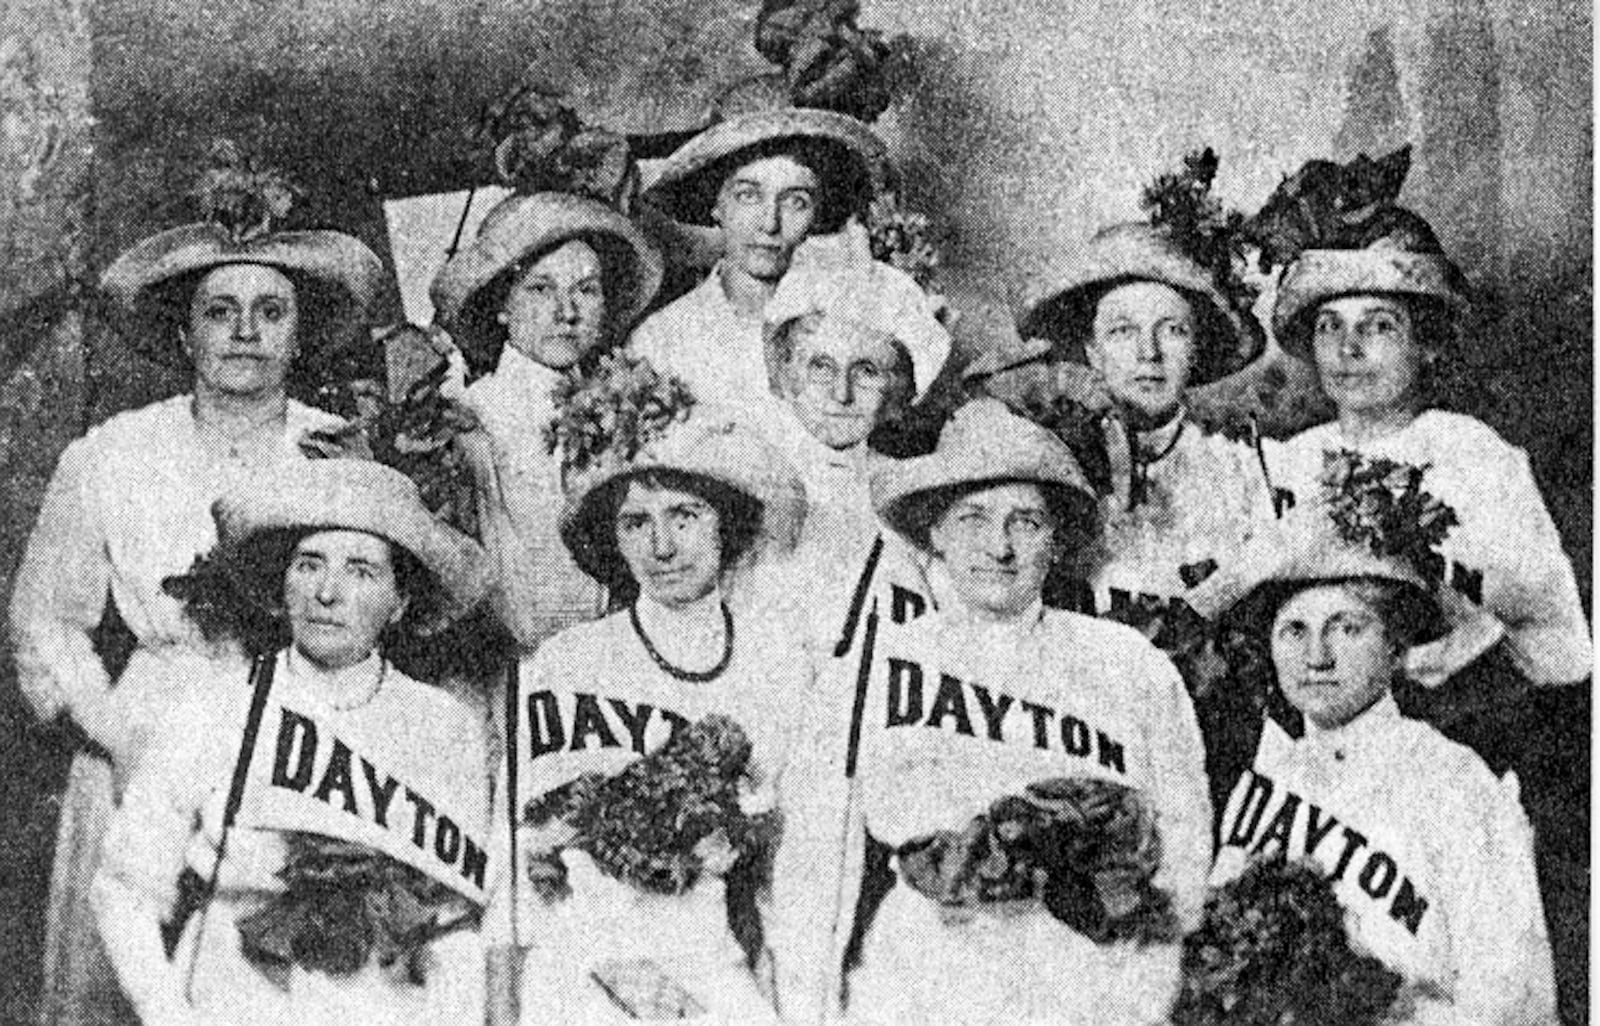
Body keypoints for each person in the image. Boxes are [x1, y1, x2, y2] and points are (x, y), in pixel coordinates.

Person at [9, 204, 383, 1026]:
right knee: (127, 972)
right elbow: (46, 622)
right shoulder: (112, 453)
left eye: (270, 312)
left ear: (299, 333)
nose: (245, 332)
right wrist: (118, 734)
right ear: (185, 336)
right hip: (142, 731)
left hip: (300, 728)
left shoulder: (342, 452)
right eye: (220, 311)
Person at [1261, 212, 1591, 1020]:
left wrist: (1464, 624)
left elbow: (1560, 640)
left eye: (1379, 327)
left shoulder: (1472, 455)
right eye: (1331, 329)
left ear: (1426, 345)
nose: (1350, 349)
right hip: (1322, 746)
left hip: (1460, 734)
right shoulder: (1289, 462)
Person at [802, 398, 1211, 1025]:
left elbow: (1184, 855)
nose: (1000, 546)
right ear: (934, 531)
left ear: (1057, 537)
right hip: (924, 976)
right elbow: (818, 860)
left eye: (1026, 521)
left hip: (1086, 984)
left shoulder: (1131, 664)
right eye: (972, 518)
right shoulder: (879, 661)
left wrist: (1141, 1000)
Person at [91, 458, 493, 1026]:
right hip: (234, 994)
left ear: (400, 602)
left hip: (386, 1006)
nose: (328, 592)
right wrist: (168, 1014)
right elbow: (124, 888)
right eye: (309, 565)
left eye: (362, 571)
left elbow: (456, 918)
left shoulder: (442, 725)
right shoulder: (216, 706)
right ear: (282, 585)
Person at [483, 383, 814, 1025]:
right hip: (580, 961)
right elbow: (516, 869)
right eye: (637, 522)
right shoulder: (565, 663)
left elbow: (787, 877)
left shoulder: (782, 665)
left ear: (726, 522)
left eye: (684, 516)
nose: (661, 547)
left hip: (710, 961)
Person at [1194, 497, 1557, 1025]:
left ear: (1396, 646)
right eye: (1294, 630)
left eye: (1347, 627)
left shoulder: (1454, 780)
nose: (1317, 656)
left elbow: (1518, 1001)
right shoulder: (1269, 777)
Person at [965, 221, 1273, 620]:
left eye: (1173, 330)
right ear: (1092, 350)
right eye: (1123, 331)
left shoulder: (1238, 465)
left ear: (1196, 348)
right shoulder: (1046, 456)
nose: (1150, 353)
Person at [431, 189, 663, 649]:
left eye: (586, 289)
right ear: (501, 303)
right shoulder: (476, 418)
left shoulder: (627, 403)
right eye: (540, 288)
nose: (567, 312)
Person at [629, 85, 891, 420]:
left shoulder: (849, 323)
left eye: (796, 201)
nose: (770, 223)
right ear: (716, 205)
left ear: (817, 214)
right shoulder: (661, 340)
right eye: (748, 196)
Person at [760, 256, 951, 655]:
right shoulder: (752, 477)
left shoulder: (911, 499)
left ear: (898, 393)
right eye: (821, 366)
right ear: (787, 376)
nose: (841, 393)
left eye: (865, 371)